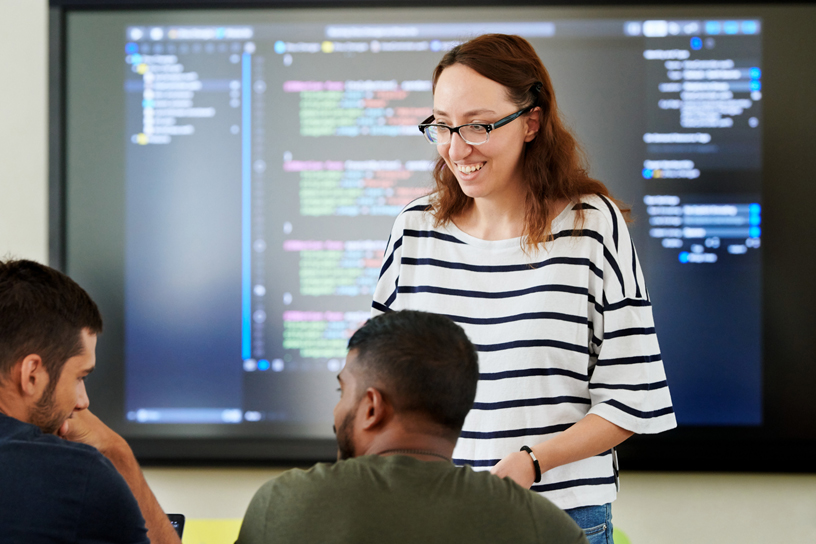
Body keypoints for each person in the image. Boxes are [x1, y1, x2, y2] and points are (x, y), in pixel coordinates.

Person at [372, 34, 677, 543]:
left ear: (531, 121)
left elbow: (633, 400)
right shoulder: (414, 228)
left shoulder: (590, 227)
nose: (456, 147)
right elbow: (381, 391)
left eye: (478, 125)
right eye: (443, 126)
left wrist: (532, 462)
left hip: (559, 518)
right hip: (435, 516)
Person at [236, 310, 588, 544]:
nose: (337, 406)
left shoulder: (285, 505)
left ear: (372, 407)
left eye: (341, 391)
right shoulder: (545, 527)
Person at [0, 258, 181, 544]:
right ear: (31, 374)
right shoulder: (77, 476)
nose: (83, 401)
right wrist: (117, 452)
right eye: (79, 377)